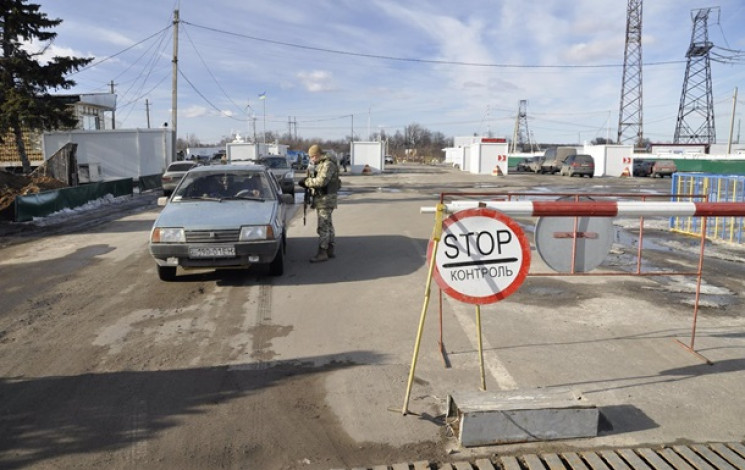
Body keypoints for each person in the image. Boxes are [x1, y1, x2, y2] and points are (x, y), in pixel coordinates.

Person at [298, 144, 341, 263]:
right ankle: (330, 249)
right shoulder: (321, 163)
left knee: (323, 226)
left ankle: (323, 252)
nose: (311, 159)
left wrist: (306, 182)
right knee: (328, 224)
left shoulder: (328, 164)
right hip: (324, 198)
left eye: (312, 157)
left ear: (317, 155)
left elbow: (321, 181)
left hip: (325, 199)